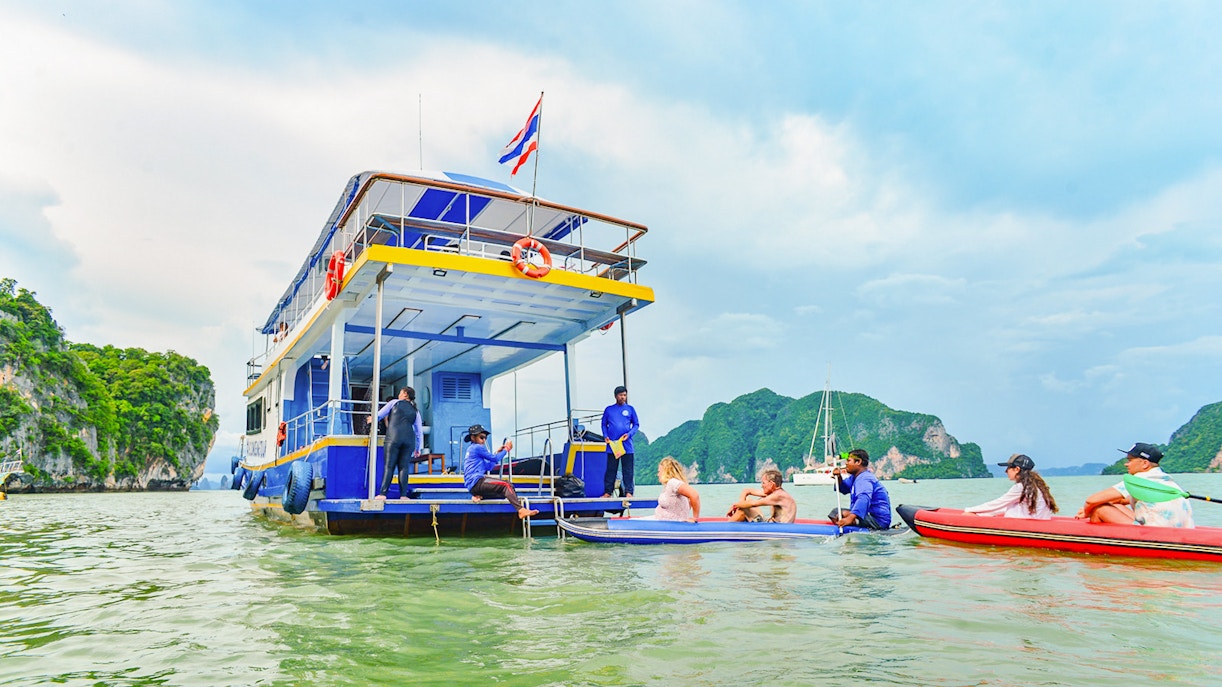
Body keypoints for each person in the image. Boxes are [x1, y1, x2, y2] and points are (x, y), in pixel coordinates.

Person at [1077, 443, 1194, 528]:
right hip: (1180, 530)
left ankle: (1099, 553)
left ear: (1144, 463)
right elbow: (1121, 501)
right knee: (1110, 504)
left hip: (1156, 532)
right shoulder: (1166, 481)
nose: (1126, 464)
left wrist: (1087, 512)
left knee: (1099, 509)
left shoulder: (1140, 479)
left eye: (1130, 460)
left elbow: (1091, 501)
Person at [462, 423, 538, 519]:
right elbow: (494, 459)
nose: (484, 440)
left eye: (485, 438)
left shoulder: (472, 451)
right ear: (473, 438)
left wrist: (498, 453)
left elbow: (489, 466)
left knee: (505, 493)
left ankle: (479, 496)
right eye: (481, 437)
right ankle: (521, 510)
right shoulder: (477, 447)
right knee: (507, 485)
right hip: (477, 482)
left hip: (473, 486)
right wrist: (506, 449)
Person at [965, 454, 1057, 519]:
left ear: (1017, 469)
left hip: (1025, 525)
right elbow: (1005, 506)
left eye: (1008, 468)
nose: (1006, 471)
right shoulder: (1035, 486)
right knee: (1011, 506)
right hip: (1037, 520)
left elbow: (998, 503)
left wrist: (969, 510)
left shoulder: (1021, 487)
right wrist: (981, 514)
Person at [373, 387, 423, 500]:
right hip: (409, 440)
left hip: (393, 438)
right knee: (404, 468)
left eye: (400, 393)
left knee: (389, 466)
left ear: (405, 395)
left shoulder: (394, 402)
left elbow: (380, 415)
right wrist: (418, 448)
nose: (399, 395)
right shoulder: (415, 410)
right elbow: (419, 431)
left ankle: (383, 494)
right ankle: (403, 495)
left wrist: (371, 419)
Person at [830, 449, 891, 529]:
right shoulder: (854, 478)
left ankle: (854, 522)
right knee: (835, 512)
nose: (846, 463)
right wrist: (838, 478)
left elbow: (864, 498)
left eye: (849, 461)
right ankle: (853, 523)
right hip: (866, 515)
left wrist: (850, 517)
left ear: (858, 462)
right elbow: (843, 489)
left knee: (841, 514)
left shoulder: (865, 478)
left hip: (877, 520)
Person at [601, 385, 640, 498]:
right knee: (611, 470)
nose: (623, 397)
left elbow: (636, 424)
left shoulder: (630, 409)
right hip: (613, 445)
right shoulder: (609, 409)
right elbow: (604, 424)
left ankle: (629, 492)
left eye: (624, 395)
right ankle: (608, 492)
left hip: (626, 445)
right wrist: (605, 436)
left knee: (628, 470)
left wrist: (629, 434)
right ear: (615, 396)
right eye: (620, 395)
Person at [726, 469, 797, 523]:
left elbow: (753, 504)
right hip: (772, 523)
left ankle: (727, 527)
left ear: (771, 484)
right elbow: (747, 491)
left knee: (743, 509)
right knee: (746, 501)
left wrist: (735, 506)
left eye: (763, 483)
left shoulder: (778, 496)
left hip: (779, 527)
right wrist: (738, 506)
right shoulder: (776, 493)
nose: (761, 486)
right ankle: (734, 522)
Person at [654, 457, 701, 522]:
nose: (658, 474)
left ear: (665, 471)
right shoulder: (670, 485)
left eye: (659, 471)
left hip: (670, 523)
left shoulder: (673, 483)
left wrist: (695, 518)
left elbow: (694, 495)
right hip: (664, 521)